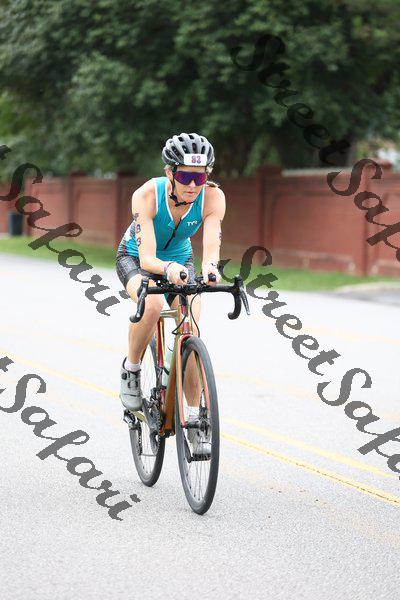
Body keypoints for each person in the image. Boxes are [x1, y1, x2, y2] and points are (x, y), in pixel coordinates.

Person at [115, 133, 225, 448]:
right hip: (136, 258)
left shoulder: (213, 197)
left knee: (191, 327)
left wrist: (211, 268)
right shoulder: (147, 195)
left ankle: (193, 419)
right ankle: (132, 370)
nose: (193, 185)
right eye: (185, 176)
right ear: (170, 173)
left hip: (180, 260)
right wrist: (166, 269)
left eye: (200, 177)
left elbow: (211, 245)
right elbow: (148, 258)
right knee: (151, 306)